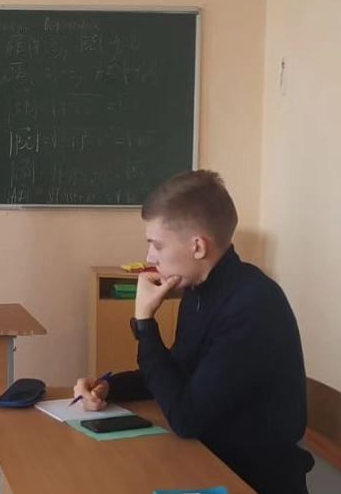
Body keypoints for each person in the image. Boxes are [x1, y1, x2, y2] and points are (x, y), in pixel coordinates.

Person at [73, 170, 314, 494]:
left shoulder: (252, 306)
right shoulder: (200, 291)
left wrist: (145, 322)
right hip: (207, 459)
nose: (149, 258)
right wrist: (110, 387)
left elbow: (187, 417)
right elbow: (179, 373)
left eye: (156, 245)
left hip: (248, 480)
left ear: (198, 246)